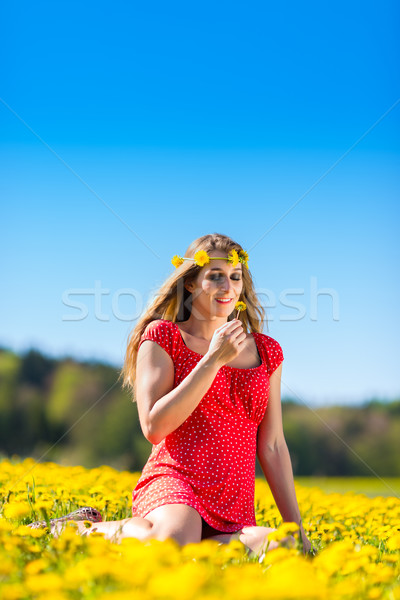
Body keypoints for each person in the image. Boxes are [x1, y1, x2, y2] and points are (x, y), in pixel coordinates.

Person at [31, 233, 312, 556]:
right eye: (215, 276)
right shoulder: (163, 336)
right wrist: (212, 360)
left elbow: (273, 445)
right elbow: (154, 427)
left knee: (282, 546)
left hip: (232, 505)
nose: (228, 287)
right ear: (191, 283)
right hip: (174, 484)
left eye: (235, 277)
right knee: (175, 538)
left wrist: (298, 530)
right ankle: (71, 528)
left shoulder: (267, 351)